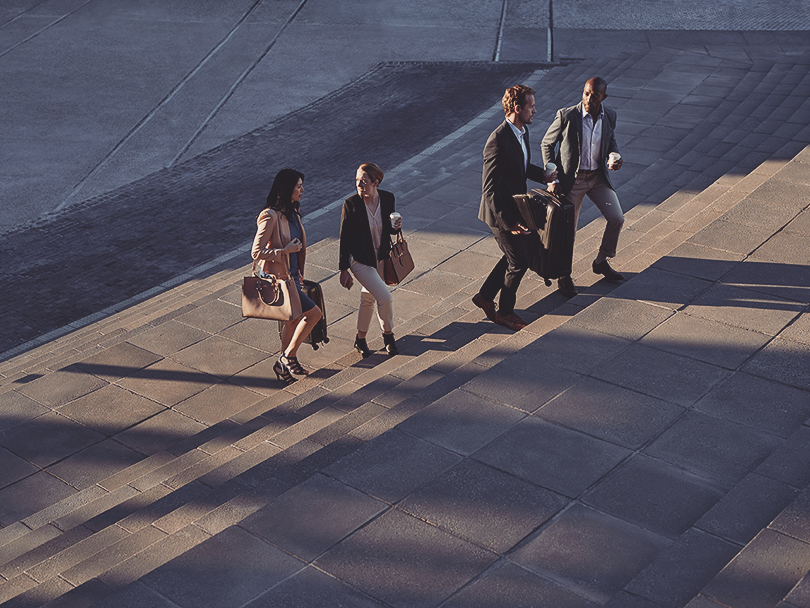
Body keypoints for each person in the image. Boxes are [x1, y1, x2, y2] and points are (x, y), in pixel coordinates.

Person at [474, 84, 556, 332]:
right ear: (517, 109)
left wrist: (543, 175)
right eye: (531, 106)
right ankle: (504, 312)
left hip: (513, 210)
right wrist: (509, 223)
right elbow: (490, 190)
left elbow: (521, 166)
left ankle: (485, 296)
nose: (535, 110)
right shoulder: (497, 142)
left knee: (515, 256)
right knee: (519, 261)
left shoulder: (521, 132)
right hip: (500, 214)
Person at [541, 76, 626, 297]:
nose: (588, 98)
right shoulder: (567, 115)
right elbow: (547, 143)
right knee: (568, 230)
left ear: (603, 97)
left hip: (597, 177)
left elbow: (611, 141)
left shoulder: (610, 116)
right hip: (573, 180)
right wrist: (553, 177)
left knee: (617, 218)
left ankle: (601, 261)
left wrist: (614, 155)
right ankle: (564, 275)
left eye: (594, 95)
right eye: (586, 93)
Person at [251, 168, 322, 385]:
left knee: (291, 322)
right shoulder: (269, 215)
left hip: (292, 276)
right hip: (279, 279)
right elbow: (256, 251)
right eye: (298, 186)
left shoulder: (293, 211)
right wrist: (285, 251)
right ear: (287, 188)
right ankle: (287, 357)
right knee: (313, 314)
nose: (302, 190)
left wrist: (299, 271)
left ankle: (283, 366)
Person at [339, 162, 401, 357]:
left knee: (368, 298)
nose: (359, 185)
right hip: (360, 261)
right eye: (357, 180)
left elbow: (389, 230)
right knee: (385, 297)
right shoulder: (351, 204)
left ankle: (360, 339)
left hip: (380, 258)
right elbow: (344, 237)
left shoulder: (387, 198)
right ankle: (388, 336)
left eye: (363, 181)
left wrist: (397, 226)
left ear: (375, 182)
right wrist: (343, 269)